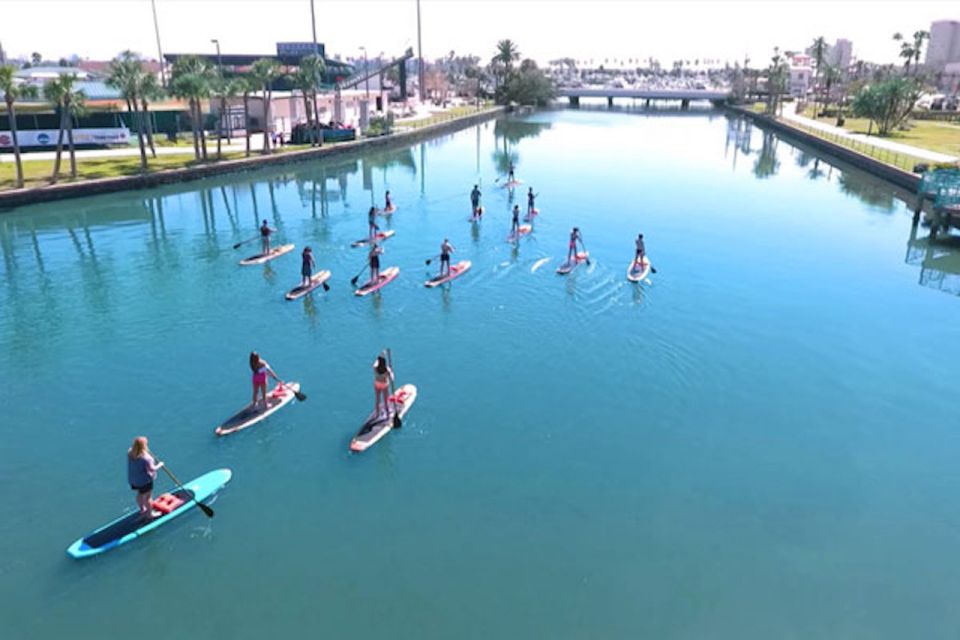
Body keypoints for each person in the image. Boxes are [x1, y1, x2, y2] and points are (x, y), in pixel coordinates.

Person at [128, 436, 164, 519]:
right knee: (148, 497)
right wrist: (160, 465)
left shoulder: (130, 453)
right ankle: (150, 514)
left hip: (134, 480)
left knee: (140, 494)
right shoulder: (147, 458)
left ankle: (142, 509)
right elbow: (152, 468)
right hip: (145, 481)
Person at [372, 352, 395, 419]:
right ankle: (388, 415)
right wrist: (392, 372)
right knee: (386, 400)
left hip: (377, 384)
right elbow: (392, 379)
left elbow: (376, 362)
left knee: (377, 399)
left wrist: (381, 354)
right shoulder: (387, 369)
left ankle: (377, 414)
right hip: (384, 385)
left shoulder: (375, 367)